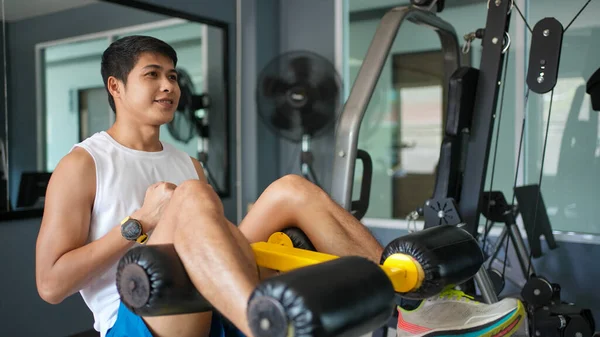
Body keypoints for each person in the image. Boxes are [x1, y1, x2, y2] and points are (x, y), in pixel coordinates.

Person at [35, 35, 525, 337]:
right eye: (152, 76)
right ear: (116, 87)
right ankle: (264, 326)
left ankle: (412, 308)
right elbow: (50, 286)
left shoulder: (187, 161)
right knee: (192, 198)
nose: (169, 87)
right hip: (136, 318)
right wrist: (138, 223)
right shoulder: (85, 163)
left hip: (211, 301)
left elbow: (212, 248)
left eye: (173, 76)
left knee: (290, 187)